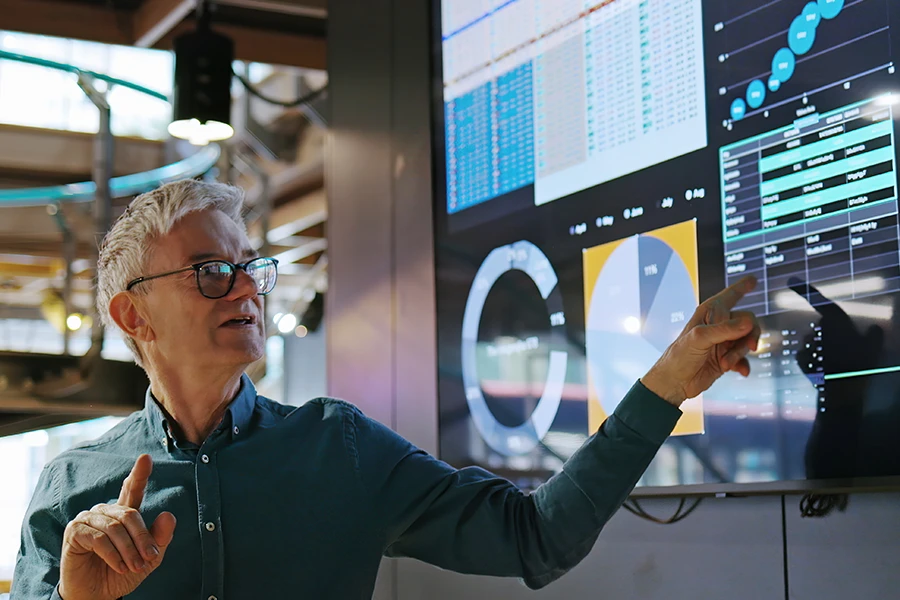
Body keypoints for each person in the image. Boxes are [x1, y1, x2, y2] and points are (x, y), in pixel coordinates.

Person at [11, 179, 760, 600]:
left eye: (251, 268)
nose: (245, 289)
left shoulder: (337, 448)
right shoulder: (73, 490)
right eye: (212, 272)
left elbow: (538, 537)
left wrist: (666, 385)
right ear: (132, 313)